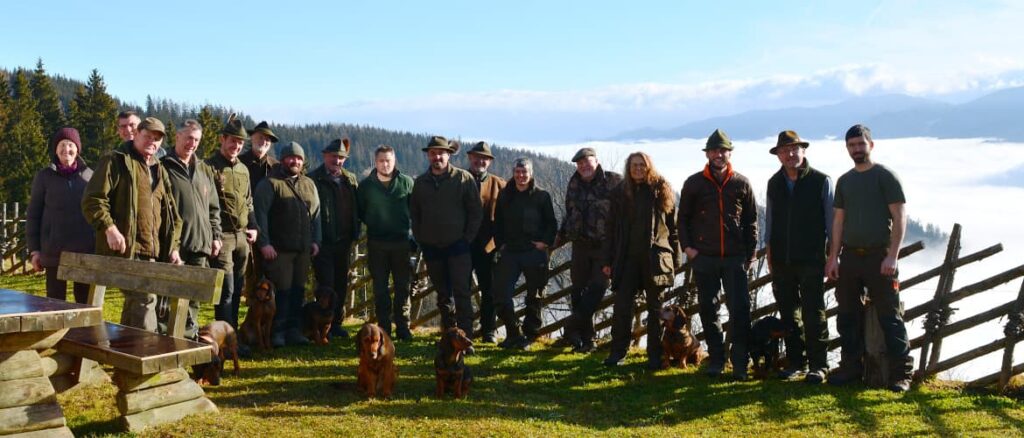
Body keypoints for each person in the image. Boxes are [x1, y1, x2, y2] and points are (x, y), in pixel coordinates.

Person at [825, 124, 913, 392]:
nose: (856, 149)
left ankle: (902, 374)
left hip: (879, 257)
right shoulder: (845, 181)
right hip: (851, 257)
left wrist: (892, 256)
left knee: (890, 315)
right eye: (851, 145)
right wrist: (833, 258)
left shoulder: (885, 176)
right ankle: (851, 367)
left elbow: (900, 217)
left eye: (860, 144)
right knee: (847, 315)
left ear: (870, 145)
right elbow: (838, 222)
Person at [82, 117, 183, 331]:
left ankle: (125, 358)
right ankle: (145, 355)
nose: (152, 142)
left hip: (151, 252)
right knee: (145, 299)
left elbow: (171, 214)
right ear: (136, 134)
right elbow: (93, 200)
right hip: (124, 251)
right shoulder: (116, 161)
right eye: (148, 136)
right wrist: (109, 228)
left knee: (136, 304)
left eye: (157, 139)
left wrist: (173, 247)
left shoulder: (159, 169)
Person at [678, 129, 758, 380]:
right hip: (705, 258)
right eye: (714, 150)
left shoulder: (741, 183)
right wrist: (689, 249)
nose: (719, 154)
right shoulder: (694, 183)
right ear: (707, 154)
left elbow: (751, 221)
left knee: (740, 310)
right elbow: (682, 219)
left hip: (735, 258)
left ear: (730, 153)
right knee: (708, 310)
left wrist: (751, 252)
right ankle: (716, 359)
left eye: (723, 150)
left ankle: (740, 362)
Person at [602, 152, 682, 368]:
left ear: (649, 166)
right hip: (627, 259)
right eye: (634, 165)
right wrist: (607, 259)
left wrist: (676, 259)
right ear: (628, 168)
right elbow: (610, 229)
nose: (638, 168)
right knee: (622, 307)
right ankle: (618, 352)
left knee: (655, 310)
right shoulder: (619, 192)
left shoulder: (660, 189)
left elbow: (673, 228)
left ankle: (655, 356)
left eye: (642, 165)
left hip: (656, 259)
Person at [765, 130, 833, 383]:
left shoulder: (821, 181)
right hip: (782, 259)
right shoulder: (774, 183)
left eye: (794, 149)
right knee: (788, 314)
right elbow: (770, 223)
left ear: (803, 151)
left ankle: (819, 365)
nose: (790, 154)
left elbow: (832, 223)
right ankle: (796, 362)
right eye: (784, 150)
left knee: (814, 313)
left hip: (812, 259)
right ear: (778, 155)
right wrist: (770, 255)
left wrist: (832, 256)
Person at [410, 136, 482, 340]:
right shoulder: (421, 183)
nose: (437, 157)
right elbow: (414, 213)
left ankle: (466, 336)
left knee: (462, 293)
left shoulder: (463, 178)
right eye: (433, 153)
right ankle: (450, 336)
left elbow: (475, 212)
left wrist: (466, 239)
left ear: (448, 155)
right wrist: (421, 238)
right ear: (428, 156)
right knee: (443, 295)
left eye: (440, 153)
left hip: (458, 247)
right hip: (432, 248)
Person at [159, 120, 223, 340]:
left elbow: (214, 208)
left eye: (196, 139)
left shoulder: (203, 170)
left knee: (194, 297)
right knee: (169, 297)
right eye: (188, 137)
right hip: (175, 245)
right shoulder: (163, 167)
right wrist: (170, 245)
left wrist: (215, 236)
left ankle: (188, 338)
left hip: (200, 244)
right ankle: (167, 340)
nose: (191, 143)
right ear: (176, 137)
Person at [554, 147, 622, 353]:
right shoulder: (574, 183)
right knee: (578, 290)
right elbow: (570, 214)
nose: (583, 166)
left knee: (597, 288)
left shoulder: (614, 181)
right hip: (580, 246)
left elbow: (626, 214)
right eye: (579, 163)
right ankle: (584, 339)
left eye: (587, 161)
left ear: (596, 160)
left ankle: (571, 327)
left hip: (604, 247)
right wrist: (557, 240)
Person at [254, 142, 321, 347]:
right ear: (282, 160)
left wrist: (316, 240)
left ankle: (294, 331)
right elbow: (260, 215)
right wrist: (264, 243)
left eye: (299, 158)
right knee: (281, 293)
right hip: (279, 250)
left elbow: (316, 214)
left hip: (302, 249)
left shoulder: (308, 184)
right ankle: (276, 333)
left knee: (298, 291)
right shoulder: (270, 183)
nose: (295, 161)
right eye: (291, 158)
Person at [492, 158, 557, 350]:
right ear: (513, 173)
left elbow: (551, 223)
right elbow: (498, 223)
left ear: (531, 173)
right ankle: (513, 333)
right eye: (518, 172)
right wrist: (500, 244)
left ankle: (530, 335)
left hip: (533, 252)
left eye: (525, 172)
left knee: (534, 296)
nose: (521, 176)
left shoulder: (542, 196)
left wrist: (544, 242)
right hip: (510, 251)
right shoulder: (505, 195)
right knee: (501, 295)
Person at [27, 127, 94, 303]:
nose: (66, 150)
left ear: (77, 149)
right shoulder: (44, 177)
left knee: (84, 304)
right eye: (62, 145)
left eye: (70, 145)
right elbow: (34, 215)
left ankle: (83, 332)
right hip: (53, 251)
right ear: (55, 149)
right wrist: (35, 251)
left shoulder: (89, 176)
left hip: (84, 252)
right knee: (55, 305)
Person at [357, 145, 415, 340]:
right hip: (377, 244)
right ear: (375, 162)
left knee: (403, 288)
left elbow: (415, 211)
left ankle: (403, 327)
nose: (385, 164)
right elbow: (361, 212)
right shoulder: (365, 187)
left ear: (394, 161)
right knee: (380, 288)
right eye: (381, 160)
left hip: (401, 244)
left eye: (388, 160)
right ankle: (384, 328)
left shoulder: (406, 183)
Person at [206, 118, 258, 329]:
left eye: (240, 143)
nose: (236, 146)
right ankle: (224, 335)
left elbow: (248, 201)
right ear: (222, 139)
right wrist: (214, 236)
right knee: (225, 289)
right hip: (223, 236)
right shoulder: (209, 167)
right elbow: (207, 205)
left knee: (238, 287)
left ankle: (233, 333)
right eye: (233, 141)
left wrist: (253, 226)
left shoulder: (243, 170)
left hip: (242, 237)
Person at [310, 138, 360, 339]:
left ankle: (336, 323)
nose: (337, 161)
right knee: (326, 285)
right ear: (325, 156)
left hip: (344, 241)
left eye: (341, 158)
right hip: (323, 242)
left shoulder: (351, 180)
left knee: (341, 284)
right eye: (333, 157)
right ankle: (322, 325)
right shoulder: (313, 179)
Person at [465, 141, 505, 344]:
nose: (480, 161)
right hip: (462, 245)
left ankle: (489, 330)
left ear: (489, 162)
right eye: (476, 157)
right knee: (460, 289)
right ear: (469, 158)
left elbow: (510, 214)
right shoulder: (458, 180)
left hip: (488, 246)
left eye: (484, 158)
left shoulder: (500, 184)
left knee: (489, 290)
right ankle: (463, 331)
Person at [239, 121, 280, 298]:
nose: (264, 141)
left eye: (267, 139)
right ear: (252, 138)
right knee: (246, 276)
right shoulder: (239, 163)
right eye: (260, 137)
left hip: (271, 229)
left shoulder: (277, 168)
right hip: (244, 228)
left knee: (270, 277)